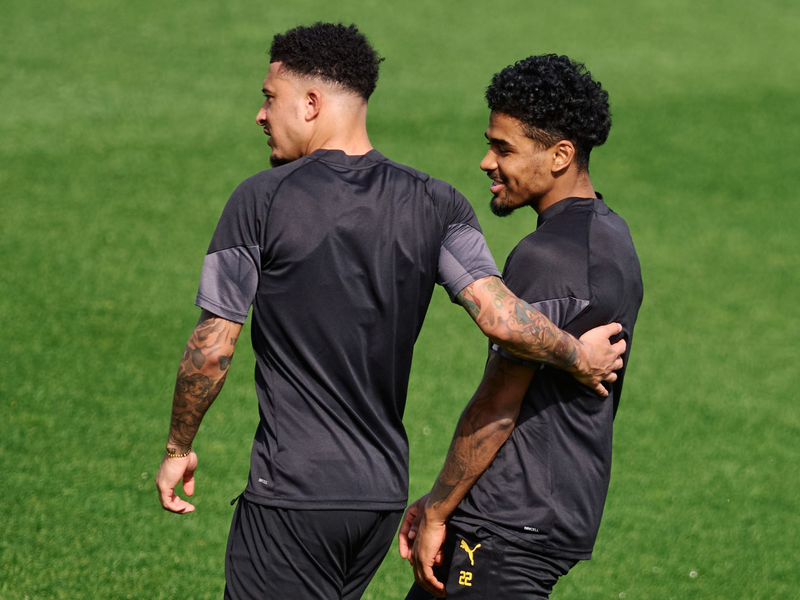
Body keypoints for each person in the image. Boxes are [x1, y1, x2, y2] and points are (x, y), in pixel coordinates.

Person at [153, 24, 625, 600]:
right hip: (378, 500)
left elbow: (215, 344)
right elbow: (501, 316)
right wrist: (577, 354)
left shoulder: (261, 199)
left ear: (310, 102)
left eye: (268, 97)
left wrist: (179, 448)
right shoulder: (438, 202)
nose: (260, 115)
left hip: (294, 492)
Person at [399, 54, 644, 599]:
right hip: (547, 511)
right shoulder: (611, 234)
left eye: (504, 148)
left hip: (508, 522)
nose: (487, 161)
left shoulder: (545, 256)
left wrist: (437, 508)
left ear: (560, 155)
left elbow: (499, 402)